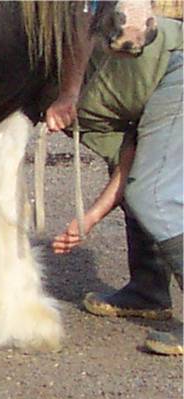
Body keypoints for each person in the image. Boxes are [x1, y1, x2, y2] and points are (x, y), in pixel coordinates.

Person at [45, 15, 183, 355]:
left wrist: (69, 92)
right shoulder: (75, 114)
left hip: (176, 65)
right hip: (162, 78)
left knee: (154, 196)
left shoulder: (59, 76)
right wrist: (90, 217)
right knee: (143, 187)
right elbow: (129, 161)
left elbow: (82, 24)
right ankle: (147, 291)